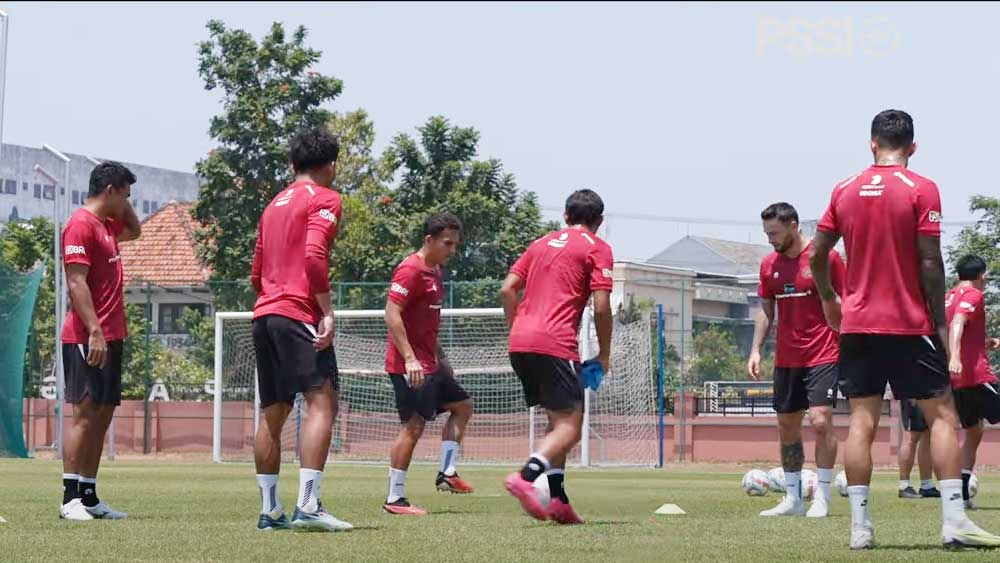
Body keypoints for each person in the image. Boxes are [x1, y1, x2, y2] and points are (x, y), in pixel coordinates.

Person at [810, 109, 1000, 549]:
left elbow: (817, 255)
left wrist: (828, 297)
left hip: (858, 325)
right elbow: (931, 261)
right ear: (913, 147)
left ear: (872, 143)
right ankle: (954, 522)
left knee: (861, 420)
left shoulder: (844, 188)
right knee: (943, 416)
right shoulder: (922, 188)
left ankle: (860, 529)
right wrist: (936, 319)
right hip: (909, 323)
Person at [249, 126, 352, 532]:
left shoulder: (273, 204)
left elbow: (256, 272)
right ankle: (308, 504)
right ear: (330, 165)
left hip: (265, 313)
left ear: (293, 164)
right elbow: (313, 254)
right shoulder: (325, 198)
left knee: (273, 412)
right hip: (297, 313)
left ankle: (269, 509)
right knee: (322, 403)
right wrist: (325, 311)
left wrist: (274, 297)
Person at [500, 189, 614, 525]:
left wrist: (516, 327)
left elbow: (507, 288)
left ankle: (559, 500)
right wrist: (604, 353)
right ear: (600, 222)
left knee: (556, 423)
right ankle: (525, 477)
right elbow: (603, 306)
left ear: (565, 216)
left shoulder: (540, 243)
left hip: (519, 342)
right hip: (555, 342)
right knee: (571, 428)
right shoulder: (598, 248)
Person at [749, 202, 845, 518]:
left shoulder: (825, 258)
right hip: (787, 359)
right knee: (787, 426)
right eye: (767, 234)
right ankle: (792, 498)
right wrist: (755, 350)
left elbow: (847, 301)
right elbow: (765, 310)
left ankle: (823, 497)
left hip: (824, 353)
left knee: (820, 420)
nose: (770, 239)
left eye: (774, 233)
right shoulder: (768, 265)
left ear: (793, 225)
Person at [58, 161, 141, 521]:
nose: (127, 201)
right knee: (85, 414)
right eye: (124, 193)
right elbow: (76, 282)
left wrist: (124, 202)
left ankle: (89, 496)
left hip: (112, 335)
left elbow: (135, 230)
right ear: (109, 190)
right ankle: (70, 498)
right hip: (86, 335)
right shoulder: (80, 224)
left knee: (104, 414)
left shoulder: (107, 227)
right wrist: (94, 330)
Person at [382, 213, 475, 516]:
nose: (452, 250)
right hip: (407, 365)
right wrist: (409, 358)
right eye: (447, 243)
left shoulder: (436, 271)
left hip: (430, 363)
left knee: (462, 406)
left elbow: (427, 324)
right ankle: (394, 499)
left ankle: (447, 473)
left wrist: (442, 359)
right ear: (429, 240)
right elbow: (392, 314)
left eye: (455, 244)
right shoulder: (410, 269)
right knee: (413, 426)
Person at [946, 254, 1000, 509]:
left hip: (957, 381)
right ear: (981, 276)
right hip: (976, 376)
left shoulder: (949, 296)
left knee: (974, 430)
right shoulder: (974, 295)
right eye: (986, 274)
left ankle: (963, 492)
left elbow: (953, 327)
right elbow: (958, 323)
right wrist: (956, 356)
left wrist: (983, 343)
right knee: (973, 431)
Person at [897, 399, 939, 499]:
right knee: (911, 437)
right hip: (913, 391)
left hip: (930, 393)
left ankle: (926, 485)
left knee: (928, 435)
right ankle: (904, 486)